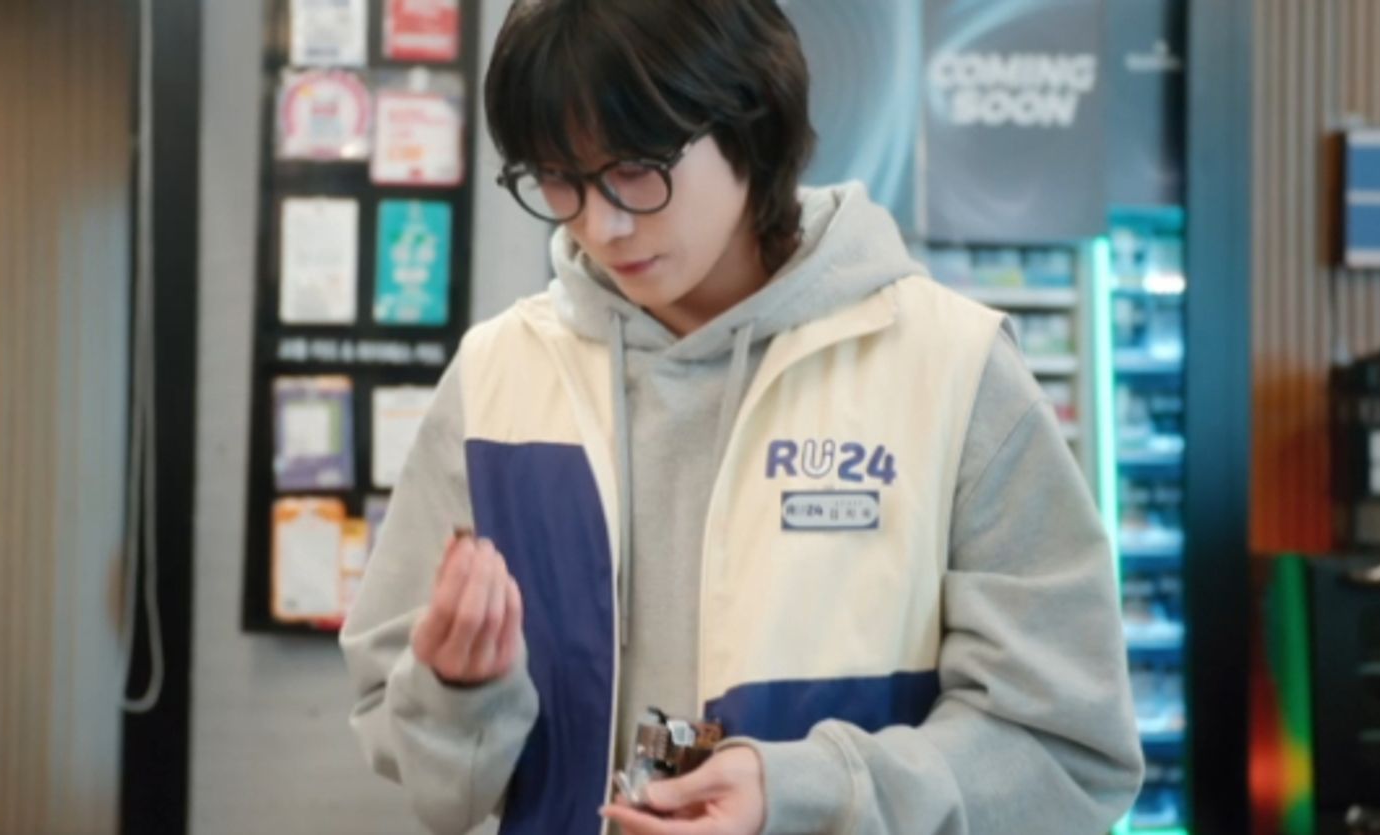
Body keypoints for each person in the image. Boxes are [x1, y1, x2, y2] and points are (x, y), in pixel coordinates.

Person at [340, 0, 1144, 832]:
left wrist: (809, 795)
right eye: (558, 179)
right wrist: (459, 692)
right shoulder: (498, 379)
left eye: (635, 167)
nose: (601, 223)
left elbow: (1066, 754)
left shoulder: (952, 371)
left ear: (749, 117)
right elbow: (432, 779)